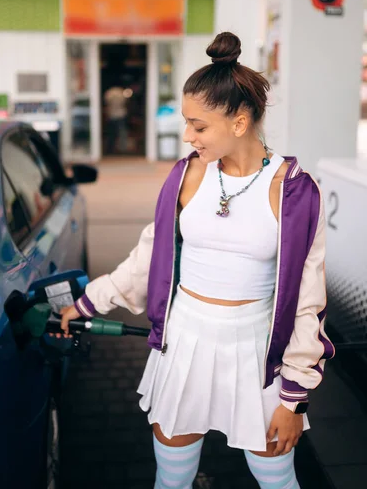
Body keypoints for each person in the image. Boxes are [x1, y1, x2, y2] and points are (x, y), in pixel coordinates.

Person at [60, 32, 334, 488]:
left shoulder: (295, 190)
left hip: (256, 354)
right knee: (171, 479)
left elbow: (308, 299)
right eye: (186, 123)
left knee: (277, 480)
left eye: (199, 126)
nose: (187, 136)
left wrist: (294, 398)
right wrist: (89, 302)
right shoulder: (187, 174)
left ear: (240, 123)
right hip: (184, 343)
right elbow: (150, 255)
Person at [104, 84, 128, 154]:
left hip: (112, 115)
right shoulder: (121, 92)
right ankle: (122, 149)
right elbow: (125, 103)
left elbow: (106, 104)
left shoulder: (109, 93)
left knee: (111, 133)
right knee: (122, 132)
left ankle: (110, 149)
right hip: (121, 114)